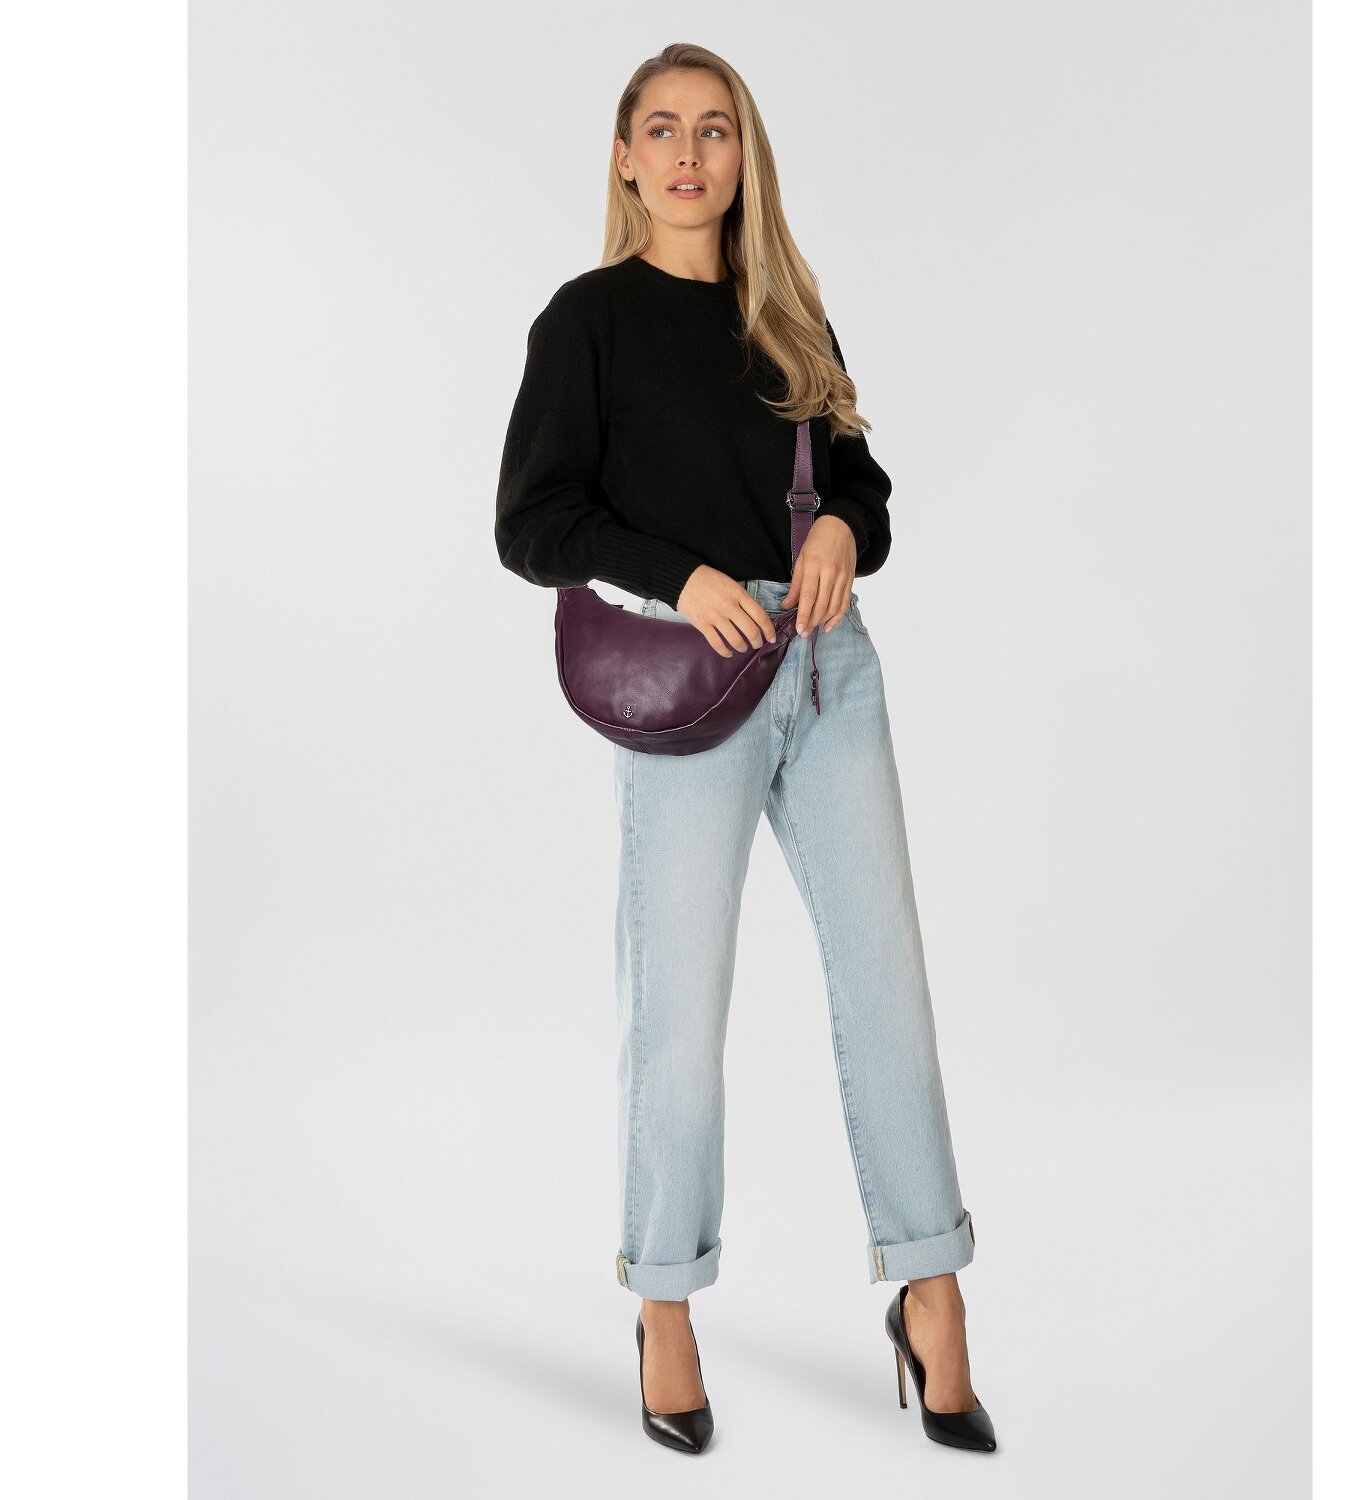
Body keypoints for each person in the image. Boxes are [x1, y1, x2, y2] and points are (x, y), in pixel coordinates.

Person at [494, 43, 996, 1456]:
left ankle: (933, 1288)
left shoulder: (787, 313)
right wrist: (679, 575)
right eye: (661, 130)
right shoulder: (586, 322)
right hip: (687, 669)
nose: (688, 153)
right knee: (679, 1012)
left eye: (714, 130)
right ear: (624, 159)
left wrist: (838, 529)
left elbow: (863, 487)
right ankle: (664, 1301)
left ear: (743, 156)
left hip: (829, 670)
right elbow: (531, 521)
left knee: (887, 983)